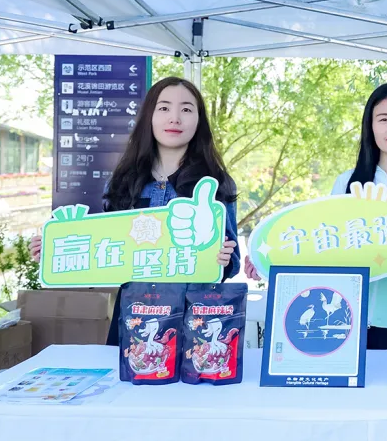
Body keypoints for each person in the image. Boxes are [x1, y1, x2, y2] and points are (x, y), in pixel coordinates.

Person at [32, 76, 240, 345]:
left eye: (187, 109)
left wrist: (223, 256)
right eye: (164, 108)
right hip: (133, 320)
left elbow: (231, 265)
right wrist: (54, 250)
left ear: (199, 121)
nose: (175, 118)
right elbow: (103, 253)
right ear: (149, 116)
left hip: (194, 323)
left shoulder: (216, 184)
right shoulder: (123, 181)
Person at [245, 82, 387, 349]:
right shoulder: (347, 184)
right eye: (384, 119)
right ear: (370, 126)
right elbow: (322, 248)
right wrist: (266, 263)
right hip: (347, 323)